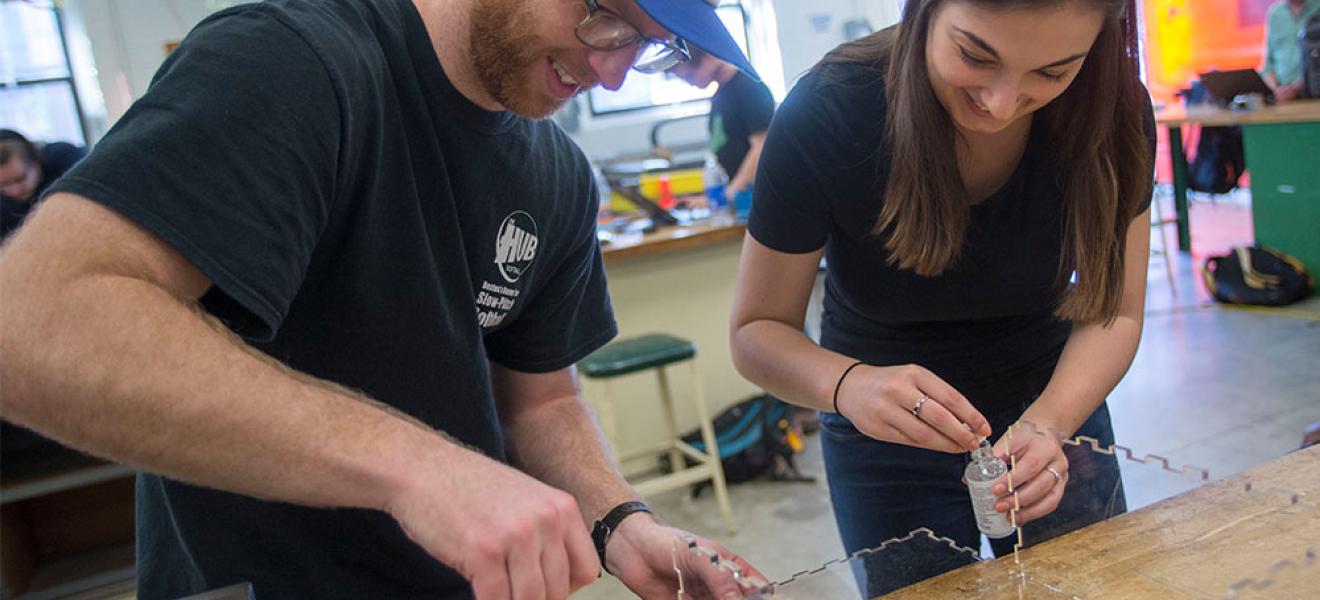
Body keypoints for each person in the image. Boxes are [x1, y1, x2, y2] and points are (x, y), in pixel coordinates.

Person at [0, 1, 766, 598]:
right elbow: (31, 324)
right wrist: (421, 470)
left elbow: (540, 405)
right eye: (606, 17)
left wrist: (621, 524)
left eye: (652, 45)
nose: (612, 74)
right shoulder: (294, 64)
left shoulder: (557, 178)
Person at [729, 0, 1154, 595]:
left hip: (1054, 394)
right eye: (975, 55)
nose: (1002, 104)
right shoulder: (828, 111)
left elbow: (1118, 309)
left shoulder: (1114, 107)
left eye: (1053, 73)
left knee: (1093, 585)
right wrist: (849, 385)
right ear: (922, 13)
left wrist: (1050, 424)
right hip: (881, 423)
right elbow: (756, 332)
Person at [671, 45, 775, 201]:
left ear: (707, 58)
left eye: (690, 76)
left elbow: (762, 144)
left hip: (759, 195)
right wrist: (713, 197)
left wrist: (731, 193)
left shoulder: (750, 88)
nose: (691, 83)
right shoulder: (720, 95)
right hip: (740, 196)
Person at [0, 129, 85, 240]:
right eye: (3, 185)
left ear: (35, 161)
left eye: (19, 179)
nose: (15, 191)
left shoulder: (67, 159)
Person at [1262, 0, 1320, 102]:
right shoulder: (1275, 13)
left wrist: (1296, 88)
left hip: (1313, 94)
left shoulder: (1317, 8)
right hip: (1283, 98)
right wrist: (1277, 90)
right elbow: (1268, 65)